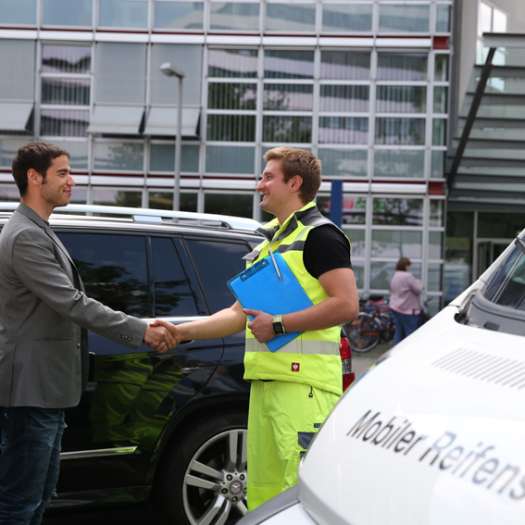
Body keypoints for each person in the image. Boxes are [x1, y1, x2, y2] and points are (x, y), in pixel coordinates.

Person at [154, 147, 359, 510]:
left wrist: (278, 325)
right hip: (268, 387)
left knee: (298, 494)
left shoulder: (321, 236)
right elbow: (237, 315)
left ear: (294, 183)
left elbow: (346, 304)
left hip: (304, 388)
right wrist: (181, 332)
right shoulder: (270, 244)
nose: (259, 185)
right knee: (266, 494)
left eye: (267, 177)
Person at [0, 142, 175, 525]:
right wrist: (141, 331)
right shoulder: (25, 236)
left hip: (46, 389)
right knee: (20, 502)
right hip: (30, 391)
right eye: (62, 173)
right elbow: (72, 303)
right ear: (34, 177)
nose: (71, 181)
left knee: (38, 497)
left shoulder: (37, 229)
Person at [389, 256, 423, 344]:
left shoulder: (395, 275)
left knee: (399, 333)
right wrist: (419, 283)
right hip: (408, 310)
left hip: (395, 307)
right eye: (409, 265)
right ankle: (408, 351)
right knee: (410, 335)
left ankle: (395, 350)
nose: (409, 267)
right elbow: (418, 290)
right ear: (406, 265)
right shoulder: (408, 276)